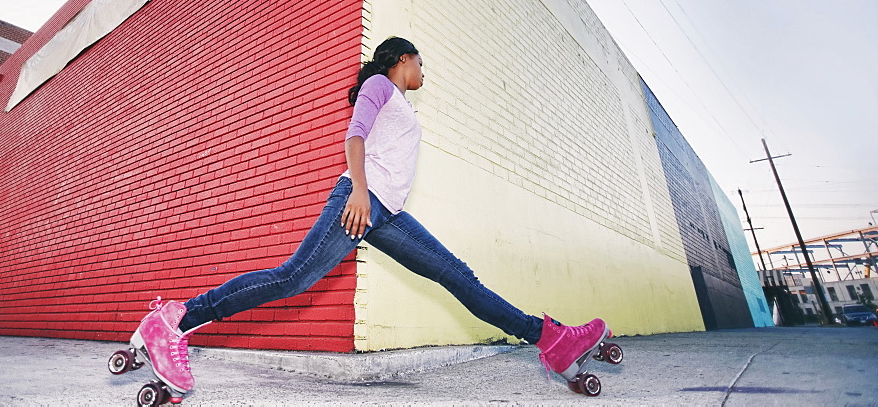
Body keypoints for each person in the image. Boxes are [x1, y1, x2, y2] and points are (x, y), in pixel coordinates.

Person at [128, 37, 610, 398]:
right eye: (421, 62)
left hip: (388, 213)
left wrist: (372, 198)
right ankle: (176, 319)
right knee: (293, 278)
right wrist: (358, 191)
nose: (425, 71)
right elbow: (354, 138)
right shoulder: (379, 84)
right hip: (360, 200)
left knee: (458, 277)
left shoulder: (400, 102)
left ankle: (552, 339)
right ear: (403, 59)